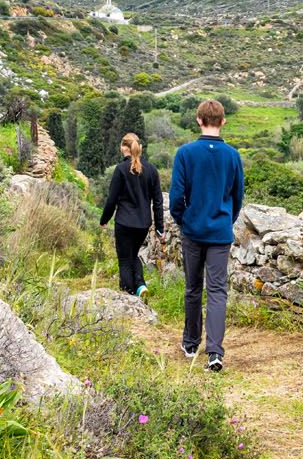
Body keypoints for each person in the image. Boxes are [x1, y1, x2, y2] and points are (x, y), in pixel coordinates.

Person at [168, 99, 244, 372]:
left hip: (193, 230)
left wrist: (183, 220)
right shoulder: (233, 156)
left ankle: (190, 343)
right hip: (220, 233)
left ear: (198, 120)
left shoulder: (185, 153)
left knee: (192, 288)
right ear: (223, 121)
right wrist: (226, 221)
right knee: (217, 292)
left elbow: (176, 197)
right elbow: (237, 198)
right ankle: (214, 352)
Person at [99, 132, 164, 298]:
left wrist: (104, 220)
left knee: (124, 260)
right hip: (143, 224)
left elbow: (111, 199)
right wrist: (160, 227)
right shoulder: (152, 170)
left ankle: (128, 297)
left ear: (123, 148)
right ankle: (141, 286)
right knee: (134, 255)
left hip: (124, 222)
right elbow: (158, 201)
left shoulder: (121, 170)